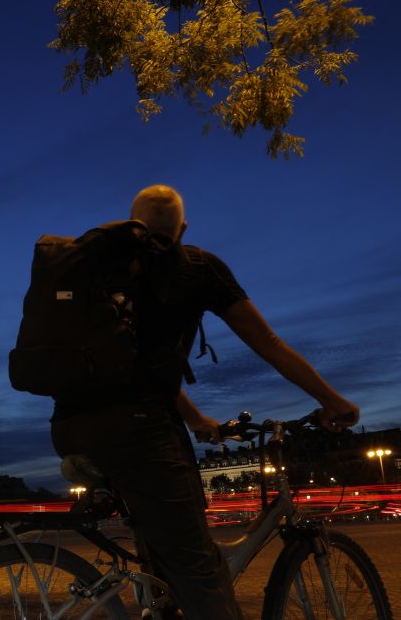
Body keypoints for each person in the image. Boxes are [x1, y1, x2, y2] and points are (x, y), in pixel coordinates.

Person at [50, 184, 360, 619]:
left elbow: (136, 367)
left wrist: (195, 418)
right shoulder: (197, 268)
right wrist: (332, 400)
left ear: (131, 223)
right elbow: (267, 342)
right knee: (202, 572)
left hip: (71, 425)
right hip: (140, 433)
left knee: (163, 565)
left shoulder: (102, 268)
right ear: (184, 228)